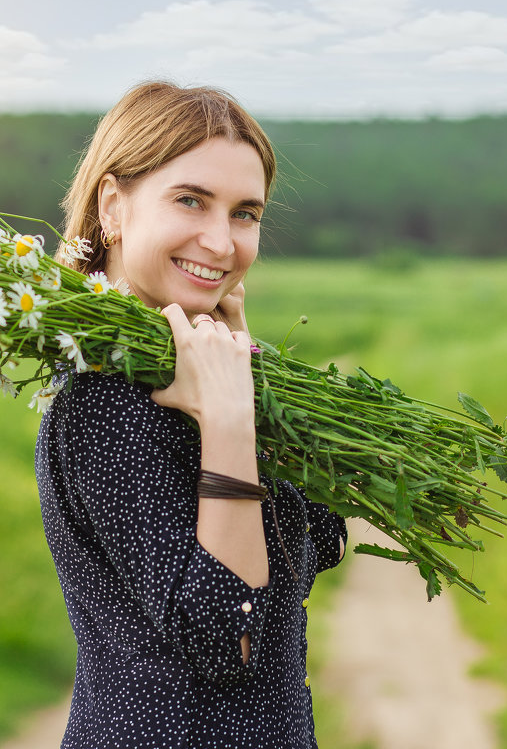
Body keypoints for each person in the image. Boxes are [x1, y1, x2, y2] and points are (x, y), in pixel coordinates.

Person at [35, 81, 347, 748]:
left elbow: (321, 539)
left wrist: (247, 385)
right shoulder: (105, 398)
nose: (221, 240)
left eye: (244, 213)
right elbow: (229, 639)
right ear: (113, 206)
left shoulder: (194, 374)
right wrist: (230, 424)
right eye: (190, 201)